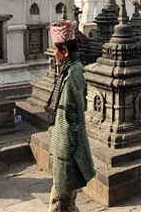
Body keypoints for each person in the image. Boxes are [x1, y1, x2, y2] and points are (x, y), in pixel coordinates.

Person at [47, 21, 95, 211]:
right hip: (63, 145)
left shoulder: (74, 73)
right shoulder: (69, 71)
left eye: (55, 50)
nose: (54, 54)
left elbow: (70, 117)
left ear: (64, 51)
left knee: (60, 202)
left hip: (67, 148)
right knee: (65, 200)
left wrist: (65, 154)